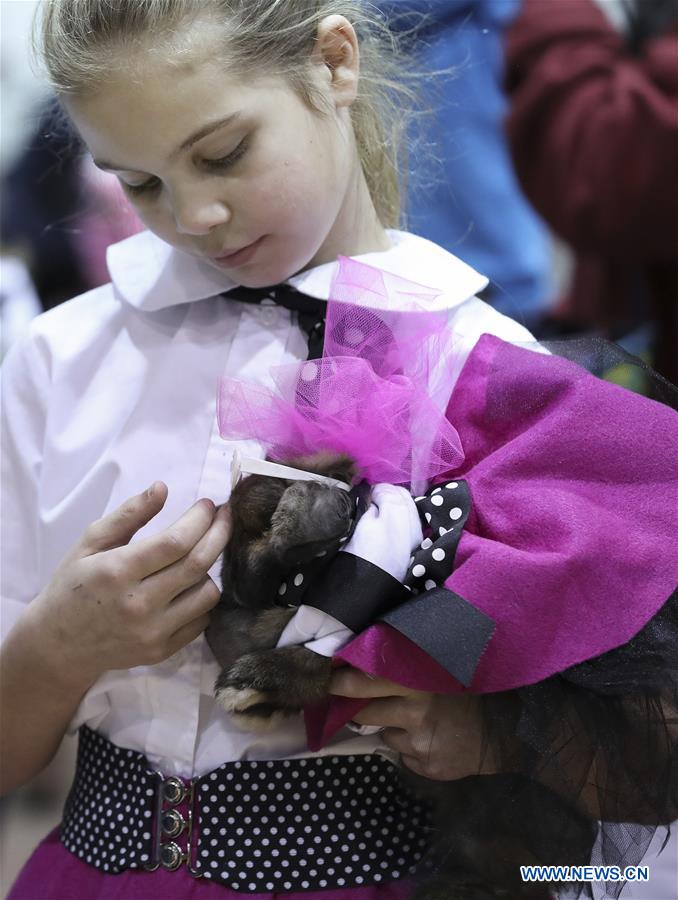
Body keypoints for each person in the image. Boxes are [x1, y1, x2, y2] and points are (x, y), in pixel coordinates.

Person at [0, 2, 675, 899]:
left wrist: (493, 735)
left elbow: (643, 752)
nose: (196, 214)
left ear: (333, 63)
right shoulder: (59, 360)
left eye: (224, 152)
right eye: (142, 184)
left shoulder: (495, 372)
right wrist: (55, 648)